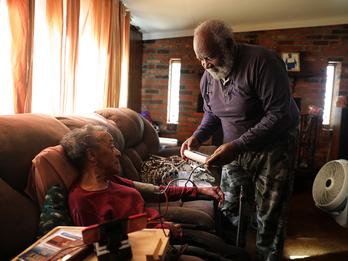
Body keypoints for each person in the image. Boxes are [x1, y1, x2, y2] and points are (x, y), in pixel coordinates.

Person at [180, 20, 300, 261]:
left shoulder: (263, 61)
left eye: (210, 57)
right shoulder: (208, 77)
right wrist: (198, 136)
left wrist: (237, 146)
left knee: (270, 215)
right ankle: (233, 256)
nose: (205, 65)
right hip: (235, 150)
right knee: (229, 207)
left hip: (274, 148)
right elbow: (212, 113)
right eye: (200, 58)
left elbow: (279, 114)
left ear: (228, 45)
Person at [61, 124, 249, 261]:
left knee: (237, 253)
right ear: (91, 156)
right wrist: (158, 229)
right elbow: (106, 248)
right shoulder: (82, 201)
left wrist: (198, 189)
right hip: (156, 245)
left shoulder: (110, 179)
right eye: (110, 146)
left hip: (167, 230)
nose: (118, 152)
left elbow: (156, 191)